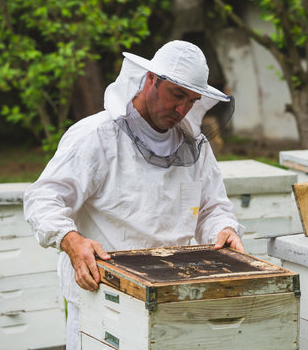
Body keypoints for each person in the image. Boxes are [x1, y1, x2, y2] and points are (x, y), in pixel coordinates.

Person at [23, 40, 245, 350]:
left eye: (192, 101)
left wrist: (223, 229)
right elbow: (44, 198)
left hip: (174, 298)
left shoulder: (195, 146)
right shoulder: (96, 136)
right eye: (177, 95)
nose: (182, 109)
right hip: (105, 300)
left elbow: (213, 208)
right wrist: (70, 240)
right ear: (151, 79)